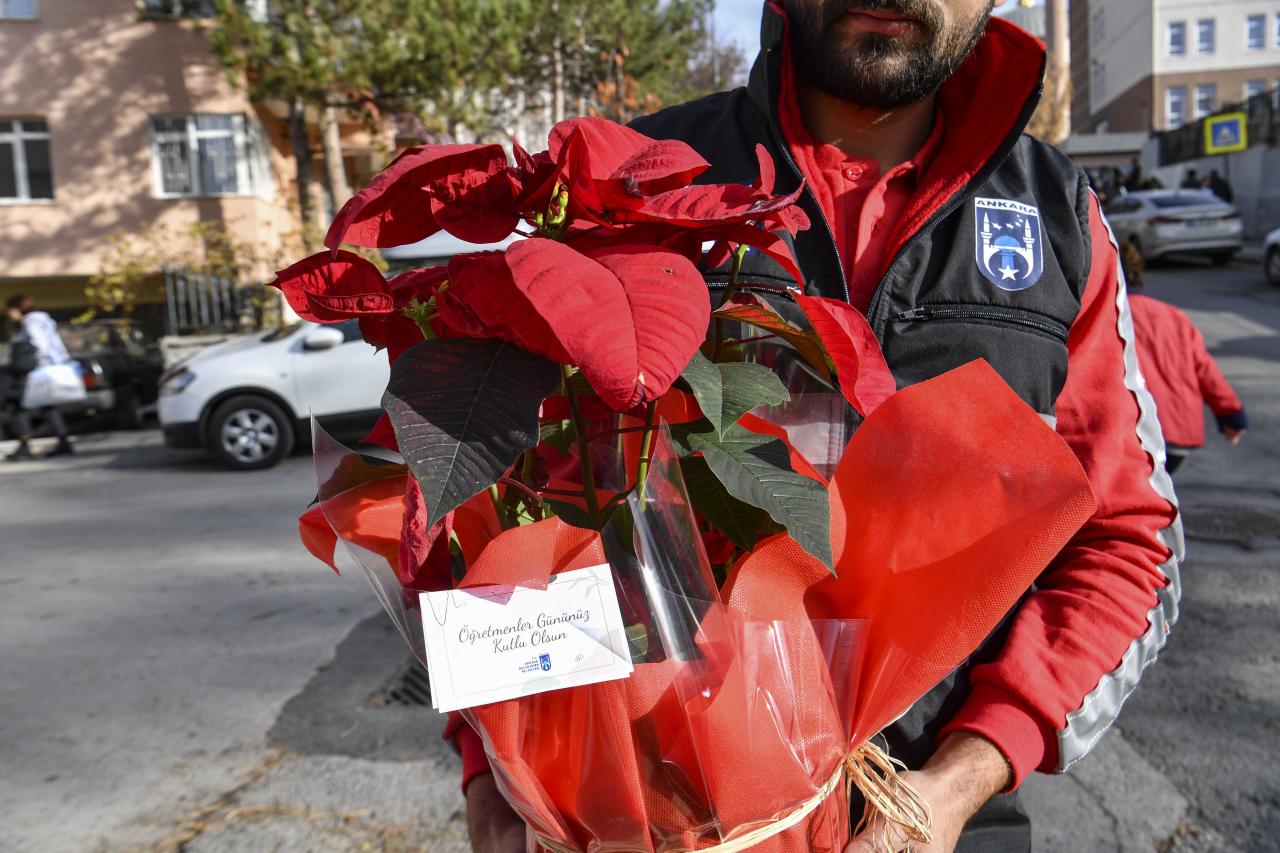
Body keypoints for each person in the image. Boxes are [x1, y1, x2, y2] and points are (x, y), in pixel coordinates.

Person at [461, 2, 1182, 852]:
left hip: (941, 816)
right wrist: (496, 774)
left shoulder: (1058, 216)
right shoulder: (633, 177)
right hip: (649, 819)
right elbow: (504, 510)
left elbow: (1129, 541)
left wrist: (967, 773)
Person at [1120, 244, 1246, 473]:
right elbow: (1204, 368)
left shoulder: (1112, 314)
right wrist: (1230, 415)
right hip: (1179, 430)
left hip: (1136, 430)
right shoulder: (1173, 315)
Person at [4, 294, 75, 460]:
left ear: (17, 308)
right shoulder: (44, 320)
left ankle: (25, 445)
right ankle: (63, 441)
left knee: (19, 405)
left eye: (10, 310)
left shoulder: (30, 322)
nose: (9, 314)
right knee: (47, 407)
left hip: (37, 370)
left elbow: (39, 345)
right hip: (50, 367)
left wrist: (31, 364)